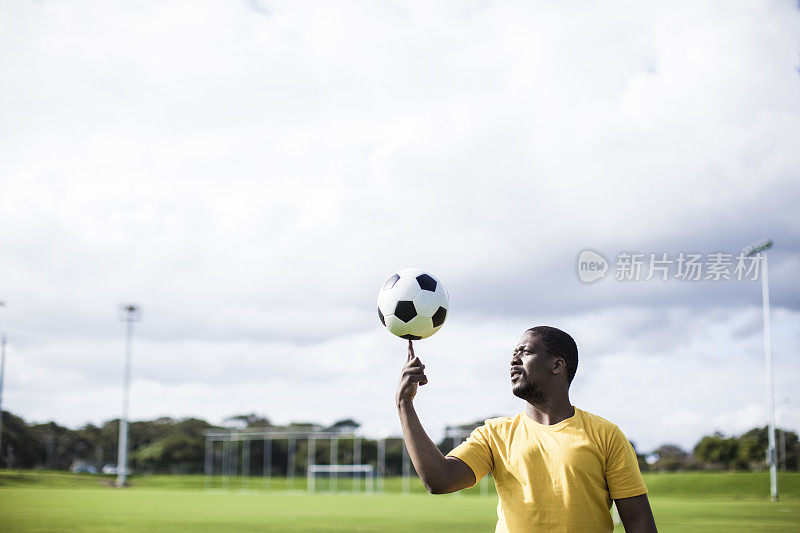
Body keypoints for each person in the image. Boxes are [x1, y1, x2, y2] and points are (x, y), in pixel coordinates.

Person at [396, 326, 658, 533]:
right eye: (514, 352)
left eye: (525, 351)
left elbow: (638, 521)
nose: (513, 359)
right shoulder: (494, 434)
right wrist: (404, 404)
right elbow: (439, 480)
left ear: (557, 365)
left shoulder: (605, 435)